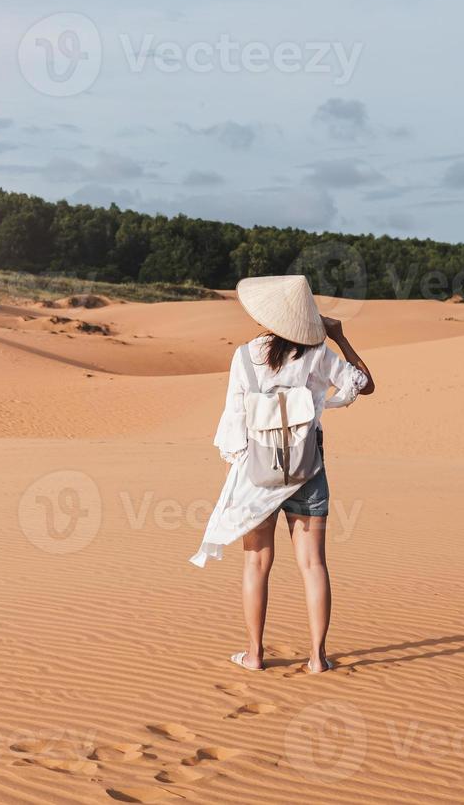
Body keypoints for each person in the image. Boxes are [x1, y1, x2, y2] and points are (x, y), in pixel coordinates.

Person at [190, 275, 374, 674]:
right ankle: (317, 658)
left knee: (256, 564)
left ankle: (254, 655)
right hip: (309, 472)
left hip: (258, 475)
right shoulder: (318, 354)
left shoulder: (243, 357)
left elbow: (233, 424)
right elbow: (366, 384)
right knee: (314, 566)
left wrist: (242, 479)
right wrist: (340, 337)